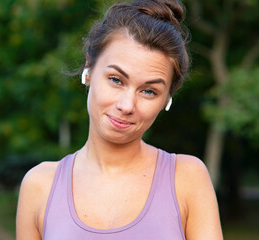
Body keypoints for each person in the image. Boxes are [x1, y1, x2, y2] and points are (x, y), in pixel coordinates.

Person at [16, 0, 223, 239]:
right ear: (90, 69)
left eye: (149, 91)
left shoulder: (187, 178)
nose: (126, 106)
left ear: (166, 99)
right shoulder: (40, 185)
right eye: (116, 80)